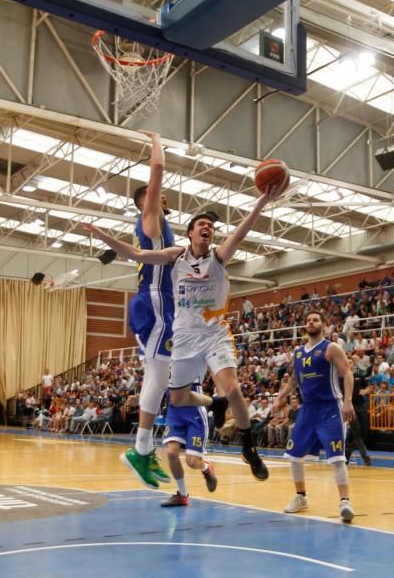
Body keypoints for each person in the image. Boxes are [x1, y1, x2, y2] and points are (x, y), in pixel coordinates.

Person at [85, 182, 284, 482]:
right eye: (202, 224)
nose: (208, 228)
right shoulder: (175, 257)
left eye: (212, 226)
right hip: (184, 338)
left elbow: (241, 232)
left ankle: (248, 446)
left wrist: (261, 202)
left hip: (215, 334)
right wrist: (103, 236)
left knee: (233, 389)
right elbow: (138, 255)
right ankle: (213, 405)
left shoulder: (218, 256)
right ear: (190, 232)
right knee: (177, 400)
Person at [117, 131, 178, 489]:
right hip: (153, 301)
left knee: (160, 378)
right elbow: (157, 167)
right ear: (145, 202)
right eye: (156, 195)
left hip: (162, 303)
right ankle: (139, 449)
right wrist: (157, 138)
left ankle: (143, 447)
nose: (162, 196)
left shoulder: (164, 227)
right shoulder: (150, 218)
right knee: (157, 378)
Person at [274, 311, 357, 522]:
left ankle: (345, 502)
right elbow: (294, 379)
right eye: (308, 320)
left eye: (315, 320)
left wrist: (348, 401)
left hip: (330, 408)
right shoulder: (299, 352)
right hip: (308, 409)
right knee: (294, 454)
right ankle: (301, 497)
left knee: (337, 458)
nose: (311, 322)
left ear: (324, 325)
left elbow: (347, 372)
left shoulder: (331, 348)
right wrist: (280, 398)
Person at [159, 382, 218, 507]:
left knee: (192, 462)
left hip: (194, 412)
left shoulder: (189, 362)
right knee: (171, 453)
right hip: (174, 413)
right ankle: (182, 495)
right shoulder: (161, 365)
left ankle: (206, 468)